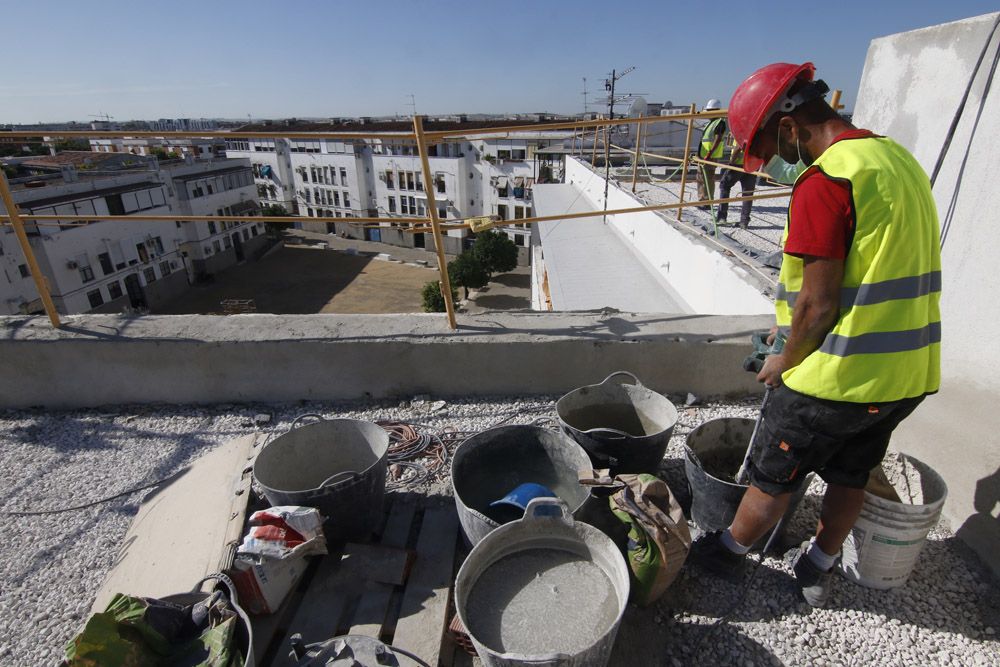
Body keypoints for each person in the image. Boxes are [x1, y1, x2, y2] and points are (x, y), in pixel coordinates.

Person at [691, 62, 941, 608]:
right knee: (851, 473)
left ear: (788, 124)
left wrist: (783, 359)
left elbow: (818, 303)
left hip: (837, 379)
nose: (779, 162)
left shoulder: (826, 181)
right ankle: (819, 562)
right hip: (904, 376)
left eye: (772, 149)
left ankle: (727, 553)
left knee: (771, 476)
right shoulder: (896, 160)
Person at [716, 136, 758, 229]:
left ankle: (721, 217)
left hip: (738, 165)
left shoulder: (743, 131)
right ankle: (744, 222)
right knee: (747, 194)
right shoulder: (758, 133)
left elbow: (739, 147)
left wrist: (731, 163)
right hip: (751, 166)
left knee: (724, 186)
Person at [696, 99, 726, 209]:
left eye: (710, 110)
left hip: (710, 156)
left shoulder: (720, 123)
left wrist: (709, 153)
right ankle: (701, 199)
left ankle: (707, 201)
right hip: (703, 156)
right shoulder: (710, 123)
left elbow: (717, 139)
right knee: (700, 178)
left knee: (708, 179)